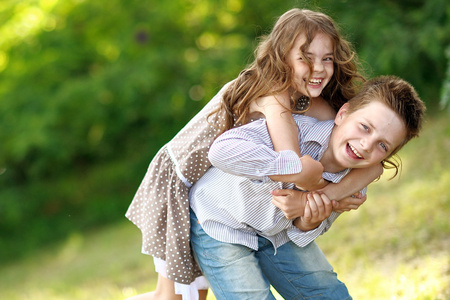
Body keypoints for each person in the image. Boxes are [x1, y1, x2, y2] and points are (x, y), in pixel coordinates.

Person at [125, 8, 381, 300]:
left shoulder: (317, 104)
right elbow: (293, 166)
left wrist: (333, 195)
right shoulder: (274, 94)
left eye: (327, 59)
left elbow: (374, 166)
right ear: (282, 56)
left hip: (233, 198)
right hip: (181, 178)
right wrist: (328, 192)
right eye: (305, 58)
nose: (319, 68)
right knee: (177, 297)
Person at [189, 75, 426, 299]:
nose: (365, 145)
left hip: (275, 235)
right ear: (343, 114)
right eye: (365, 127)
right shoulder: (294, 129)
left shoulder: (353, 183)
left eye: (382, 145)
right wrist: (294, 168)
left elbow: (300, 231)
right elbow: (221, 151)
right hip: (219, 221)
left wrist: (309, 221)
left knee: (329, 294)